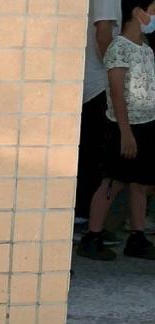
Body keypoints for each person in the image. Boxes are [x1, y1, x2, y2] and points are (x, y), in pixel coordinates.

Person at [79, 0, 155, 261]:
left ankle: (137, 236)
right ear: (137, 12)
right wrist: (125, 132)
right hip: (123, 128)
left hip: (146, 125)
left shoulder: (146, 49)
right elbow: (117, 93)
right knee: (113, 181)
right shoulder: (119, 48)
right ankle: (92, 235)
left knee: (140, 183)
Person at [77, 0, 122, 231]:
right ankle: (86, 221)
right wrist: (117, 72)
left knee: (87, 152)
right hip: (98, 84)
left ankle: (82, 217)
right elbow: (103, 33)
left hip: (86, 81)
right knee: (96, 157)